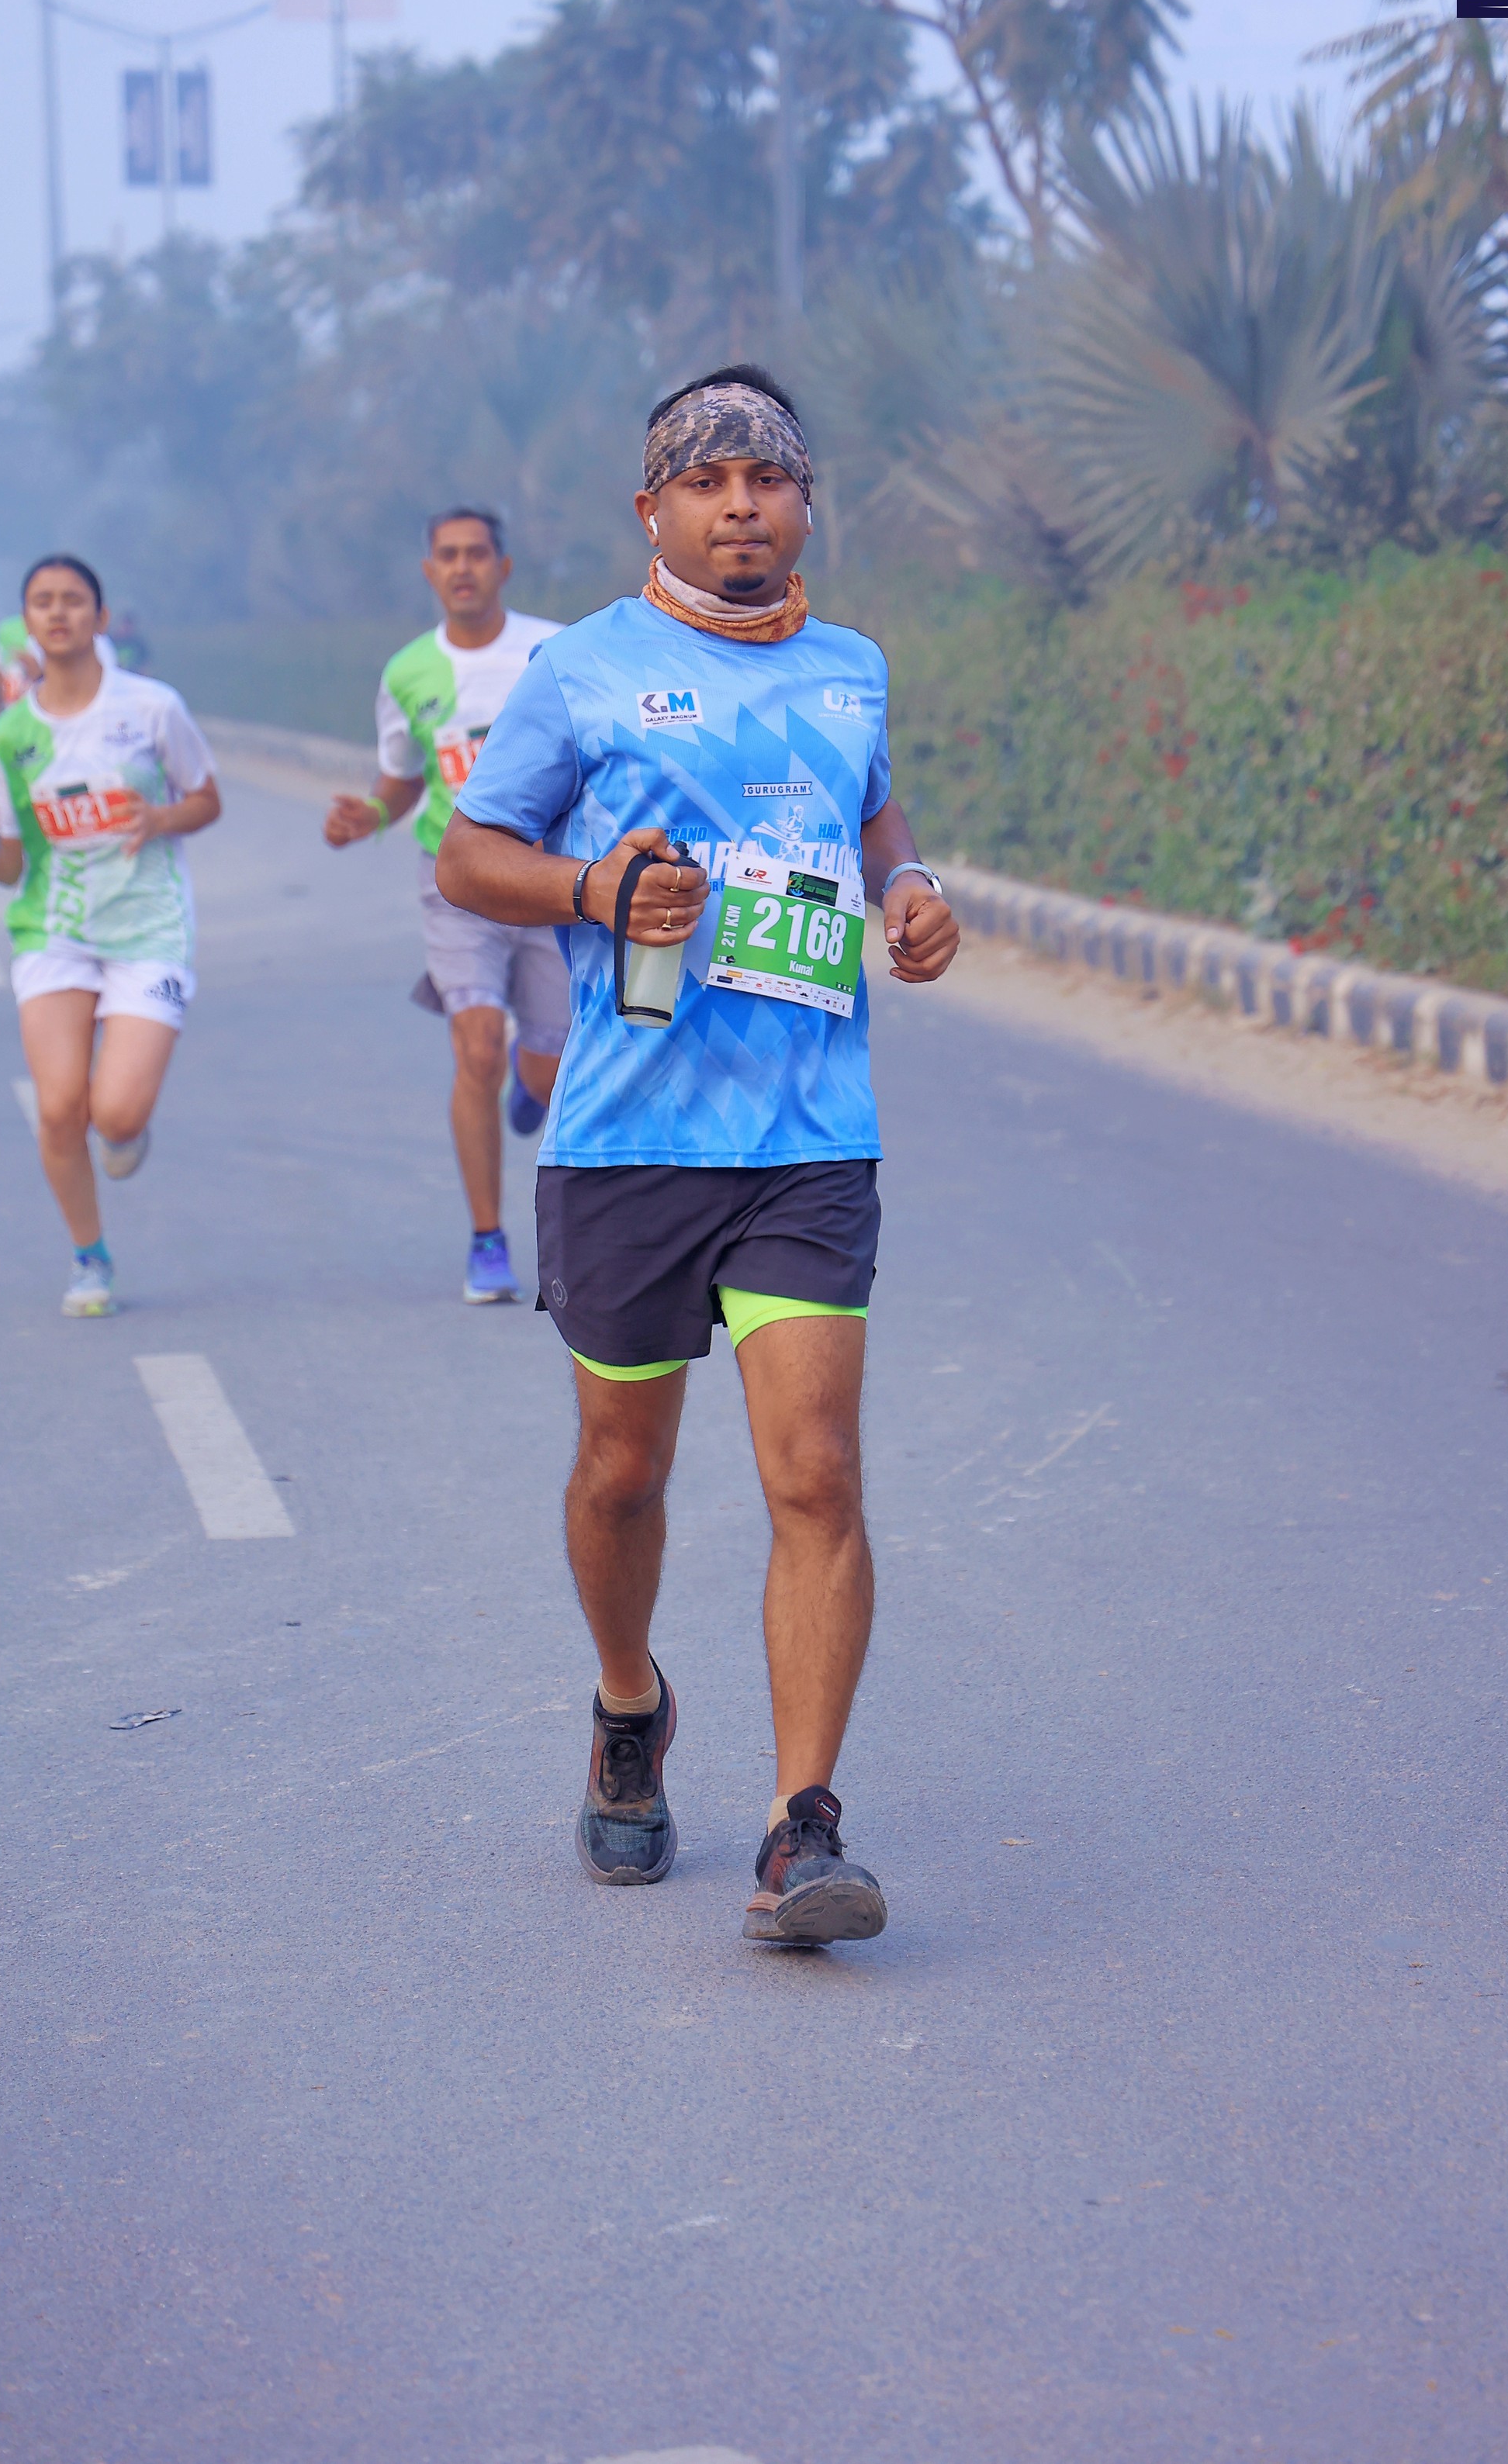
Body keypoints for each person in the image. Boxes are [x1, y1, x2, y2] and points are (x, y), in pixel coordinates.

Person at [436, 365, 960, 1945]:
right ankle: (627, 1702)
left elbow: (872, 816)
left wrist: (909, 887)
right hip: (628, 1137)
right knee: (622, 1474)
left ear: (804, 504)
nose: (741, 505)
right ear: (651, 509)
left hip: (807, 1137)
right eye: (706, 481)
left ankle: (804, 1827)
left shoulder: (850, 667)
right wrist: (594, 892)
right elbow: (470, 853)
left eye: (768, 479)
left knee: (816, 1471)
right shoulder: (584, 669)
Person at [324, 510, 568, 1303]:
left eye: (476, 554)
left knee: (549, 1067)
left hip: (547, 878)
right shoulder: (407, 673)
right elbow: (403, 779)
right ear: (429, 571)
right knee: (476, 1050)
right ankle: (487, 1239)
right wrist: (370, 813)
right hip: (455, 881)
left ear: (503, 566)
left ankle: (532, 1080)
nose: (462, 568)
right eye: (447, 556)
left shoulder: (555, 652)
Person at [0, 555, 221, 1318]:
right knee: (60, 1107)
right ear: (26, 622)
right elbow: (10, 865)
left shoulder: (151, 707)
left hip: (148, 928)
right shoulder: (10, 736)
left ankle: (125, 1130)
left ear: (99, 616)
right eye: (42, 602)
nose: (57, 613)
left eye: (72, 600)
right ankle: (89, 1255)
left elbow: (206, 798)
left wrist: (161, 817)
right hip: (52, 932)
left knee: (115, 1115)